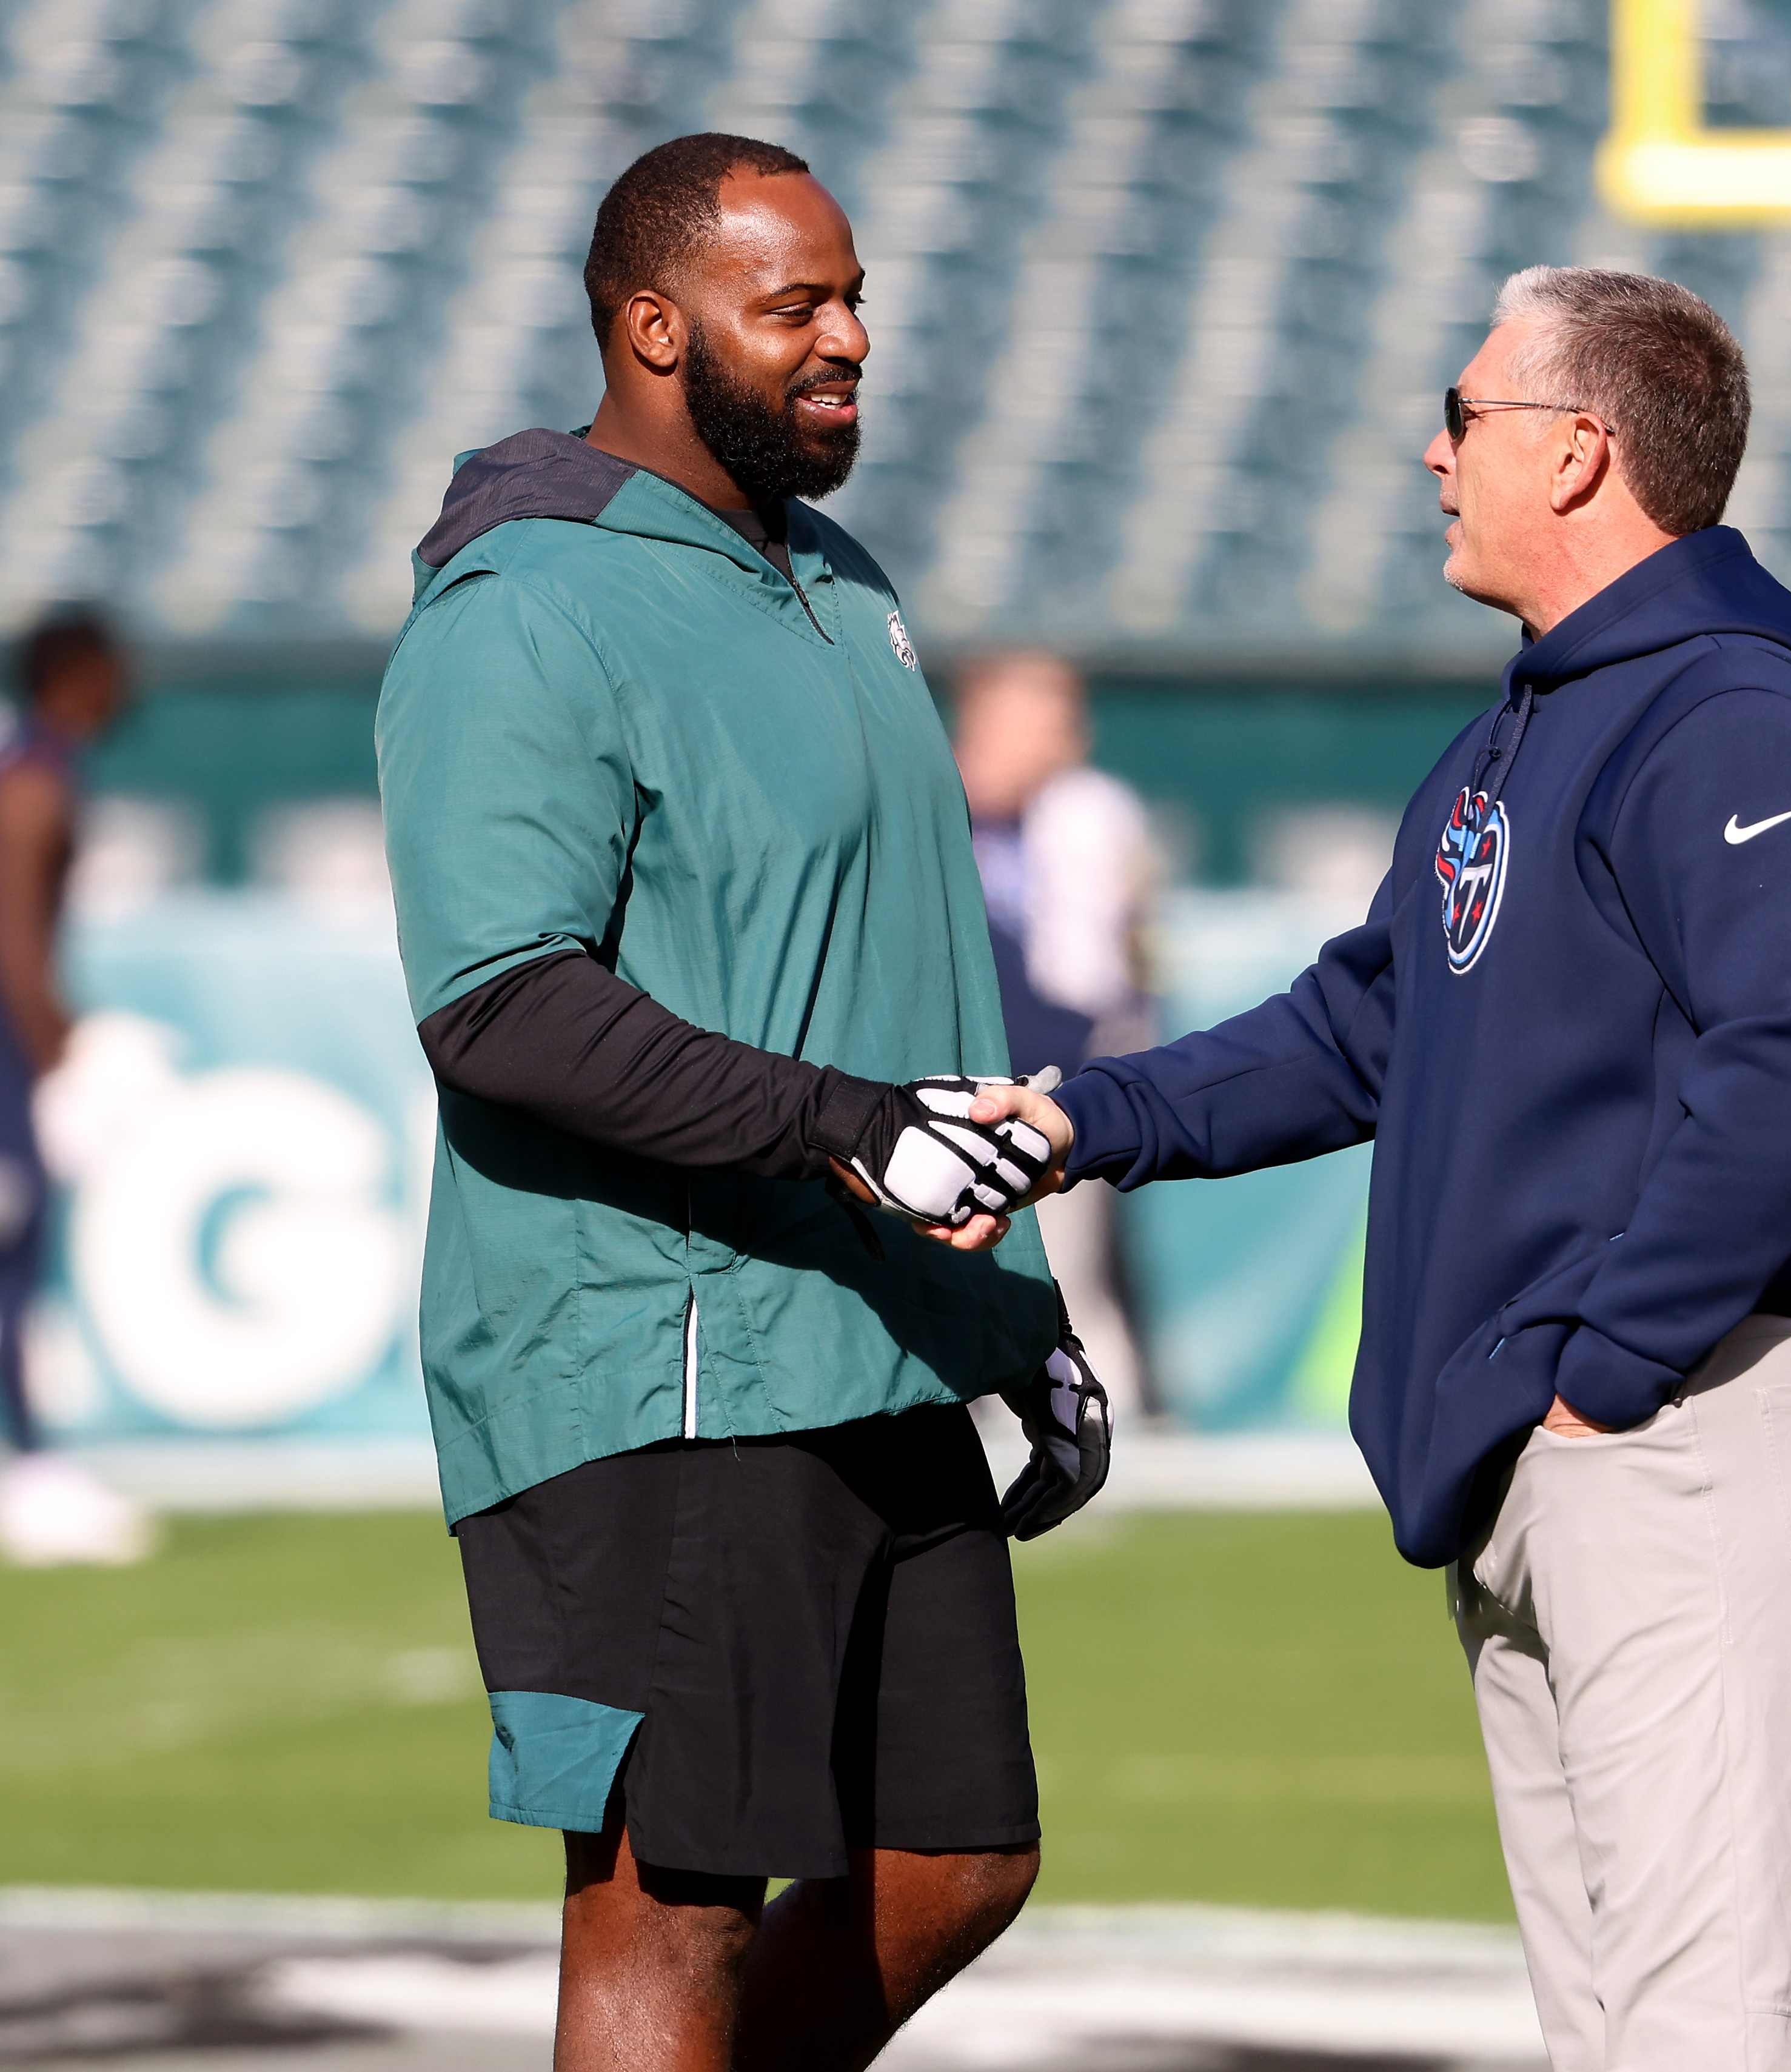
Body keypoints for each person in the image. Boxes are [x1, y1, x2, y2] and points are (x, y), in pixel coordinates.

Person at [937, 266, 1791, 2072]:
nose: (1428, 451)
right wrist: (1074, 1112)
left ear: (1575, 452)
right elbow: (1357, 1026)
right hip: (1547, 1456)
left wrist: (1602, 1377)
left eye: (1462, 416)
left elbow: (1788, 1077)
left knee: (1696, 2031)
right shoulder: (1511, 733)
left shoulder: (1730, 715)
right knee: (1605, 2033)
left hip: (1665, 1436)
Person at [377, 134, 1104, 2072]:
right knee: (668, 1913)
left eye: (850, 296)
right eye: (793, 307)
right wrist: (842, 1124)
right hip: (657, 1363)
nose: (846, 337)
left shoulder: (841, 580)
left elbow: (908, 995)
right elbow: (501, 1002)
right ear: (648, 323)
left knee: (957, 1855)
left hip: (865, 1342)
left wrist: (1009, 1314)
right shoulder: (520, 603)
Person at [951, 651, 1156, 1415]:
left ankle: (1097, 1439)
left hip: (1048, 1085)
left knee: (1067, 1278)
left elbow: (1117, 966)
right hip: (935, 1084)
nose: (1070, 737)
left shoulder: (1082, 818)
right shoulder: (931, 806)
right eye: (1047, 717)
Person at [0, 609, 155, 1569]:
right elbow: (11, 931)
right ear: (79, 670)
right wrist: (64, 1051)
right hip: (7, 1053)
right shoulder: (37, 779)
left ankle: (35, 1462)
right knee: (16, 1251)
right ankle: (32, 1469)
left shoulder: (44, 768)